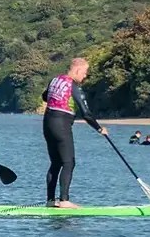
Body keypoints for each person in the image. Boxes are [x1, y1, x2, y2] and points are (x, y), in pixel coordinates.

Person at [42, 57, 107, 209]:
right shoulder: (73, 86)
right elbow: (86, 113)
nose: (85, 76)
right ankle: (64, 200)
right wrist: (99, 128)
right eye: (84, 72)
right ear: (77, 70)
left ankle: (50, 200)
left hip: (47, 123)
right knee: (68, 162)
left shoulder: (55, 80)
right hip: (61, 125)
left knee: (55, 163)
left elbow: (45, 96)